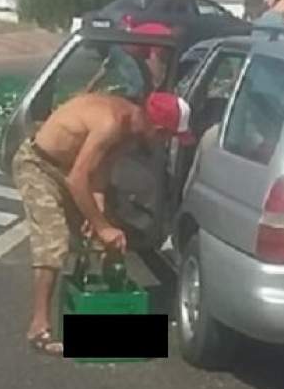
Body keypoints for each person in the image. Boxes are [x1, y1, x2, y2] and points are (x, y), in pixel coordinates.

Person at [12, 90, 194, 356]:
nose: (165, 144)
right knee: (54, 241)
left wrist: (98, 215)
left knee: (106, 235)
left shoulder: (129, 130)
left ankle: (108, 310)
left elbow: (99, 173)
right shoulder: (110, 123)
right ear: (156, 128)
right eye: (167, 137)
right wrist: (100, 225)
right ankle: (38, 327)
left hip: (70, 169)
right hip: (39, 165)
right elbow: (78, 180)